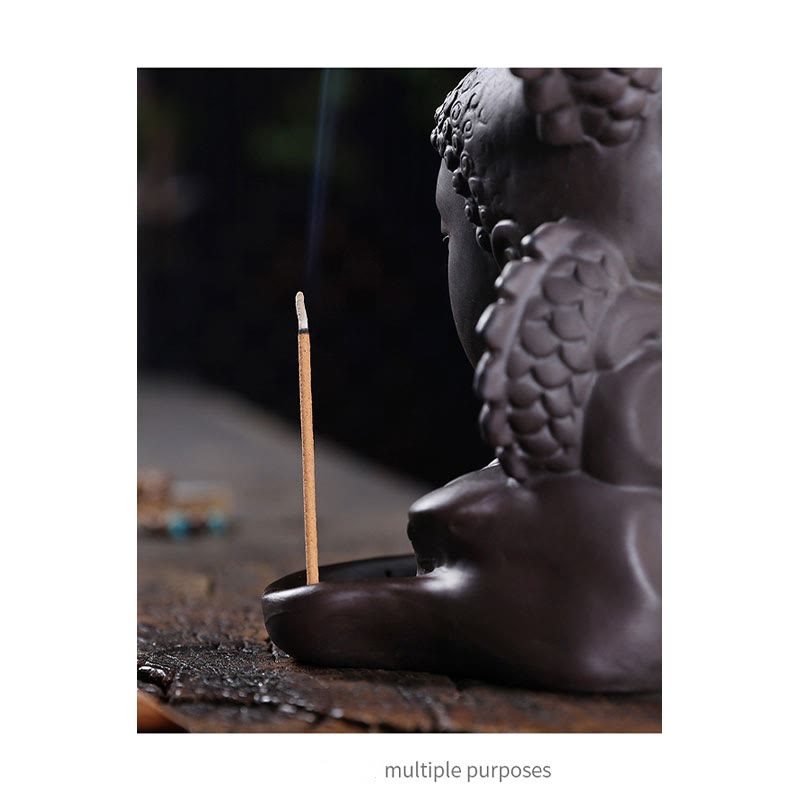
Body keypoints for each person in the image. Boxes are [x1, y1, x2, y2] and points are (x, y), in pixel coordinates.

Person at [263, 68, 662, 691]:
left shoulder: (511, 526)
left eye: (448, 235)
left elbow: (601, 629)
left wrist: (316, 614)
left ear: (505, 255)